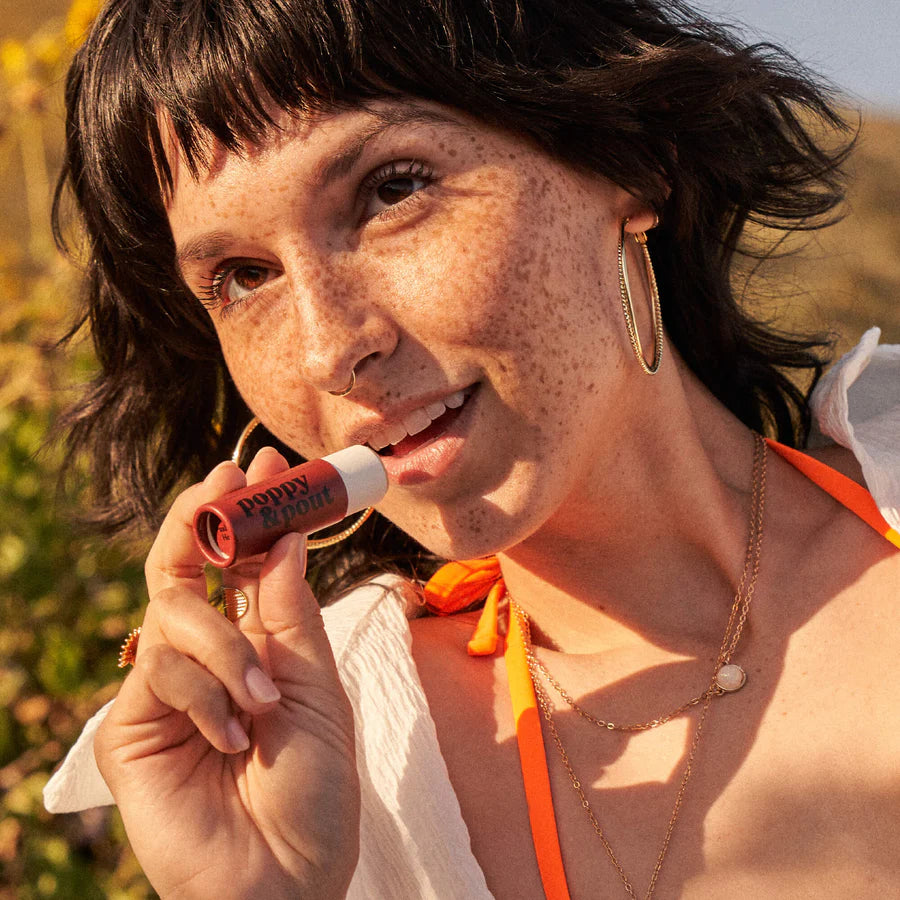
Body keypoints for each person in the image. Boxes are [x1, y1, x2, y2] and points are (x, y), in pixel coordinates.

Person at [43, 0, 900, 896]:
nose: (327, 351)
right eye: (244, 277)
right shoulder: (339, 763)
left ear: (631, 158)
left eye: (392, 190)